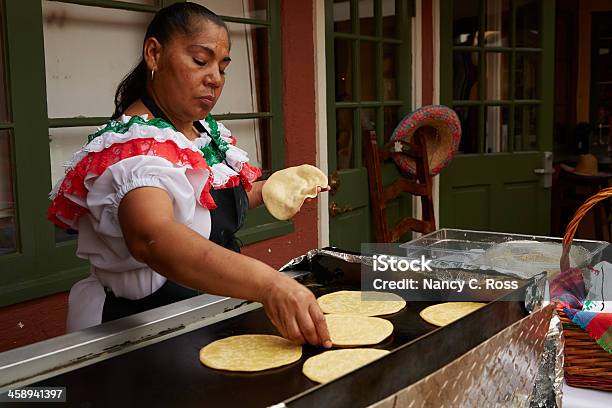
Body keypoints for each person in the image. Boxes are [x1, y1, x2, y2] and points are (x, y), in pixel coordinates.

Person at [48, 2, 331, 348]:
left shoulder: (202, 134)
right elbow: (154, 238)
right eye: (200, 61)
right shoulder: (134, 149)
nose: (214, 78)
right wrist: (269, 283)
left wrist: (272, 189)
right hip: (142, 331)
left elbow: (203, 204)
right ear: (154, 54)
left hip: (204, 313)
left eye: (222, 68)